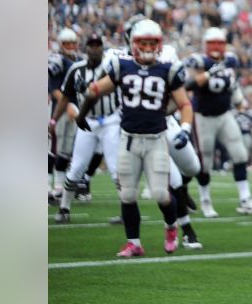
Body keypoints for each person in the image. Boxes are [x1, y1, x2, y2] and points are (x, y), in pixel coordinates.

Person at [81, 19, 194, 258]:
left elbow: (184, 103)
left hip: (156, 140)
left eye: (153, 43)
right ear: (133, 44)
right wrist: (83, 110)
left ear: (160, 44)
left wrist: (184, 128)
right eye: (144, 42)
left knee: (161, 194)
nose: (148, 47)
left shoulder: (168, 69)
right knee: (127, 194)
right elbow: (96, 90)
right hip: (129, 139)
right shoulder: (123, 66)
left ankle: (171, 226)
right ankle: (134, 243)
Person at [186, 27, 252, 217]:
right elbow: (188, 85)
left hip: (224, 114)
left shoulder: (230, 60)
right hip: (203, 117)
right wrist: (209, 73)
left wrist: (239, 103)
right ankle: (205, 201)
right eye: (212, 43)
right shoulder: (199, 61)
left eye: (219, 43)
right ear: (206, 45)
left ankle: (246, 199)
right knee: (204, 162)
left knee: (239, 155)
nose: (216, 47)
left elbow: (233, 84)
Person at [51, 34, 120, 223]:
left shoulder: (112, 66)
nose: (95, 49)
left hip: (110, 120)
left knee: (116, 168)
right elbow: (66, 96)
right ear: (86, 48)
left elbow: (112, 89)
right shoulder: (76, 69)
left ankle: (126, 210)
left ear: (102, 48)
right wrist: (53, 121)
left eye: (98, 45)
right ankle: (64, 208)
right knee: (76, 168)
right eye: (92, 45)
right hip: (87, 121)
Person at [48, 28, 81, 203]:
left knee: (66, 150)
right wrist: (67, 104)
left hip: (74, 111)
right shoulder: (57, 60)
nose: (70, 46)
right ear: (61, 45)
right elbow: (53, 88)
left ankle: (59, 188)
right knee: (54, 148)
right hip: (59, 110)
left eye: (73, 43)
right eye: (67, 43)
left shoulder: (78, 61)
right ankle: (48, 188)